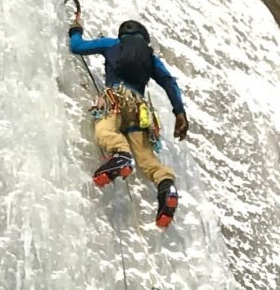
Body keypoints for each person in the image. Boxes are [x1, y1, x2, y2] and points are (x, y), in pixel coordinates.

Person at [68, 16, 189, 228]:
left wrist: (75, 30)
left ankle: (120, 155)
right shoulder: (150, 58)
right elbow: (169, 82)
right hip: (139, 110)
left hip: (115, 98)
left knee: (105, 130)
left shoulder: (113, 44)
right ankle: (165, 184)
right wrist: (180, 113)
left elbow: (77, 47)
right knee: (146, 158)